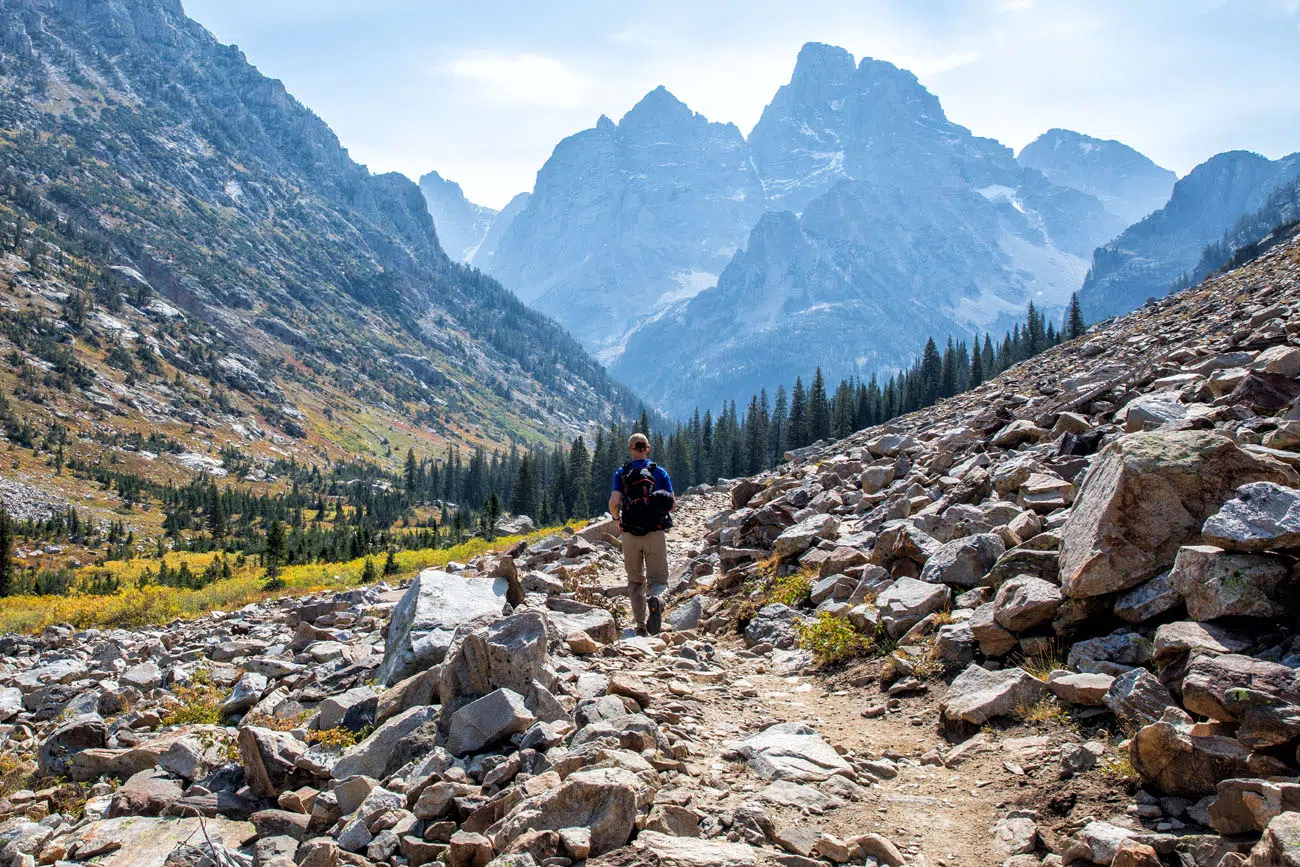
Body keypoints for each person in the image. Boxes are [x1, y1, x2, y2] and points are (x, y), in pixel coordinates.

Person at [608, 432, 675, 636]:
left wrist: (616, 519)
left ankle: (639, 624)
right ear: (647, 448)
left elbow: (614, 502)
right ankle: (657, 599)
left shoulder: (622, 472)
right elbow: (671, 504)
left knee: (635, 581)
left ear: (630, 449)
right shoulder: (659, 472)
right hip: (655, 532)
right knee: (659, 579)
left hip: (629, 533)